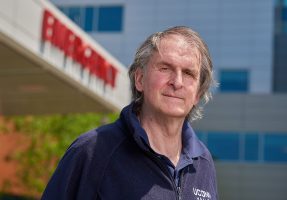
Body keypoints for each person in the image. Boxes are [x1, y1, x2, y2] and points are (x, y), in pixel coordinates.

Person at [42, 26, 218, 200]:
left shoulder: (203, 162)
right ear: (140, 79)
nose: (177, 82)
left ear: (198, 94)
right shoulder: (92, 151)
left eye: (188, 73)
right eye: (165, 68)